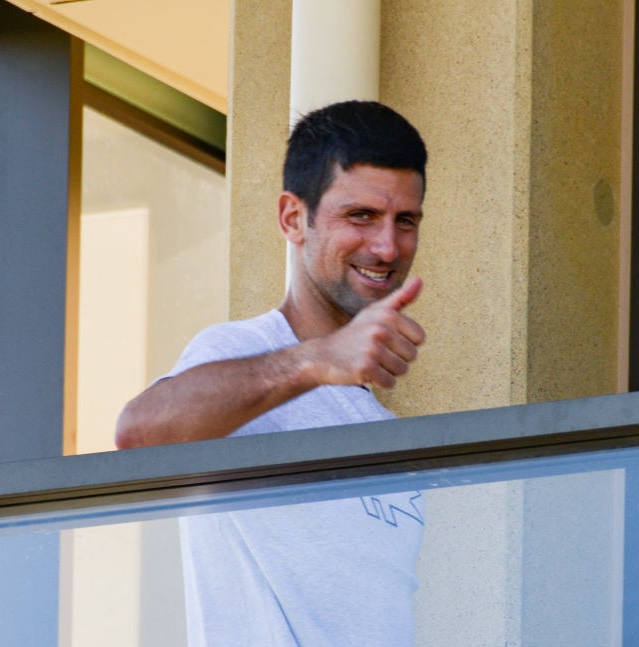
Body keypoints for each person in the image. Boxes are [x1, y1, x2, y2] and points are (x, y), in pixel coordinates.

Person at [115, 100, 429, 646]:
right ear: (293, 218)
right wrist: (317, 359)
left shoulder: (377, 422)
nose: (387, 247)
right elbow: (139, 434)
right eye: (360, 216)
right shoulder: (244, 349)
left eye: (405, 221)